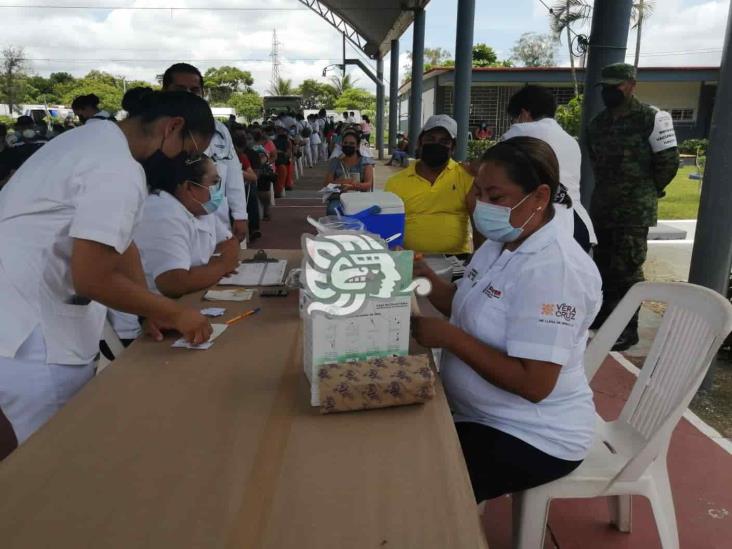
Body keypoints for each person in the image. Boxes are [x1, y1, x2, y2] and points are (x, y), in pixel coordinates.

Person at [0, 89, 215, 445]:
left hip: (19, 317)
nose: (183, 162)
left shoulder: (91, 140)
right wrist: (175, 312)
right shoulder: (116, 169)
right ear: (172, 127)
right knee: (51, 462)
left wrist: (149, 310)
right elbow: (92, 279)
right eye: (188, 151)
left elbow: (121, 240)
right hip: (38, 339)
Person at [411, 136, 602, 502]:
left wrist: (450, 339)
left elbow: (535, 385)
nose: (481, 206)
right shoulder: (502, 242)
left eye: (496, 197)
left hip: (531, 434)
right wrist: (419, 275)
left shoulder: (554, 270)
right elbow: (468, 307)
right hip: (477, 413)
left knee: (420, 486)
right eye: (478, 192)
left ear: (540, 198)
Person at [588, 63, 679, 351]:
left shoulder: (652, 119)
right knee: (602, 266)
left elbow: (669, 162)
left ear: (631, 85)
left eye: (616, 86)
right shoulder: (598, 124)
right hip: (603, 207)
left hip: (634, 211)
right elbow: (595, 162)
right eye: (606, 87)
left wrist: (647, 191)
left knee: (627, 270)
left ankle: (628, 329)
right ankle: (604, 317)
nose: (610, 91)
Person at [162, 63, 249, 243]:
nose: (188, 95)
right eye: (180, 89)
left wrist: (240, 214)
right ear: (165, 90)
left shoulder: (218, 130)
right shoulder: (157, 129)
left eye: (194, 90)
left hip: (216, 220)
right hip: (171, 223)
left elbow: (232, 172)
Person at [503, 85, 596, 252]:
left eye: (513, 119)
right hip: (578, 223)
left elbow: (489, 167)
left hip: (546, 227)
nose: (513, 124)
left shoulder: (521, 131)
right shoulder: (570, 140)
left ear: (524, 114)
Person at [384, 115, 476, 256]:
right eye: (430, 139)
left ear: (453, 147)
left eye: (444, 141)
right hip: (410, 259)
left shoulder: (465, 177)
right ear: (419, 143)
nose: (436, 145)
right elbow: (388, 227)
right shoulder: (395, 182)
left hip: (456, 259)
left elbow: (479, 226)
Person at [323, 129, 375, 216]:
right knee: (333, 210)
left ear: (358, 146)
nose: (348, 145)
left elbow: (368, 184)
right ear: (341, 144)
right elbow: (326, 183)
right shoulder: (335, 161)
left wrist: (353, 186)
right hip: (338, 198)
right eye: (345, 143)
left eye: (351, 144)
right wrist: (343, 182)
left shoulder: (365, 162)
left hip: (359, 198)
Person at [232, 132, 262, 242]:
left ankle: (254, 228)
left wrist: (238, 172)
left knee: (251, 191)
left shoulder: (242, 157)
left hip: (239, 188)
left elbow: (253, 177)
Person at [252, 145, 277, 221]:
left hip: (265, 190)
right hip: (256, 190)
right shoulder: (253, 167)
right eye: (259, 156)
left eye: (262, 156)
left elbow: (273, 178)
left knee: (266, 199)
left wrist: (270, 175)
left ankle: (266, 212)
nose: (261, 158)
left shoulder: (268, 167)